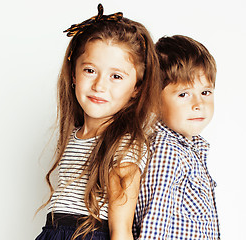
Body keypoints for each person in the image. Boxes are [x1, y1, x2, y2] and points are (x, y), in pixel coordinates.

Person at [35, 4, 161, 240]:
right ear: (73, 74)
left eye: (116, 76)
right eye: (90, 70)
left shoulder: (125, 145)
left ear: (136, 88)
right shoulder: (74, 134)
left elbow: (120, 229)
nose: (100, 85)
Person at [133, 35, 220, 239]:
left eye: (206, 92)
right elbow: (155, 220)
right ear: (154, 101)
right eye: (184, 94)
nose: (198, 103)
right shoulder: (167, 151)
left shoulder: (189, 149)